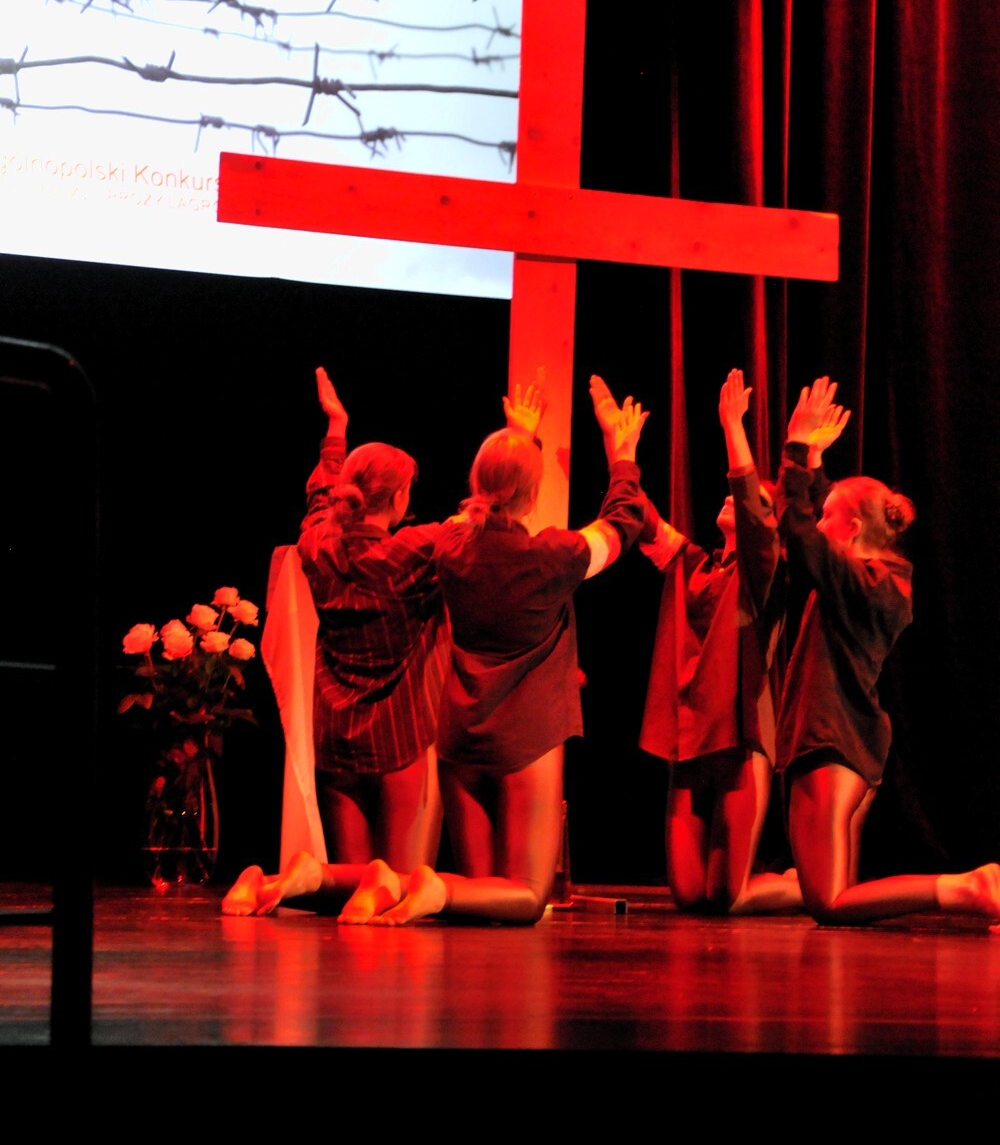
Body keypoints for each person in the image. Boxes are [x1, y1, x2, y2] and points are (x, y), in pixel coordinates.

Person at [223, 372, 649, 924]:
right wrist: (622, 456)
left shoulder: (439, 545)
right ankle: (418, 885)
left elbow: (326, 506)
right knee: (526, 895)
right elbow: (621, 524)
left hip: (454, 732)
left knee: (480, 898)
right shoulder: (546, 556)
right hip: (520, 734)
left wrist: (337, 435)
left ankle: (316, 877)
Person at [777, 377, 1000, 925]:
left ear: (851, 529)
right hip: (851, 743)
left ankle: (963, 888)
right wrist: (816, 466)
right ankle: (962, 888)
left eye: (828, 515)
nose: (819, 518)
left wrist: (796, 452)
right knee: (839, 894)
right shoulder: (879, 578)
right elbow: (821, 534)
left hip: (830, 742)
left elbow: (802, 536)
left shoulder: (860, 582)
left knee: (828, 902)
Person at [606, 368, 806, 914]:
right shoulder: (694, 564)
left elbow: (758, 525)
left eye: (746, 499)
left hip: (739, 742)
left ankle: (801, 886)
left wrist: (732, 427)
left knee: (727, 896)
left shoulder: (765, 573)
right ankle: (786, 882)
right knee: (690, 896)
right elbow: (642, 519)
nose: (730, 497)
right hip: (689, 743)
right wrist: (621, 450)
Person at [294, 365, 449, 871]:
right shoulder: (412, 553)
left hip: (336, 734)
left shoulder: (318, 547)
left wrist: (336, 429)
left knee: (350, 879)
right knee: (394, 883)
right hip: (398, 734)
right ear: (400, 498)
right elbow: (476, 529)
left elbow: (319, 502)